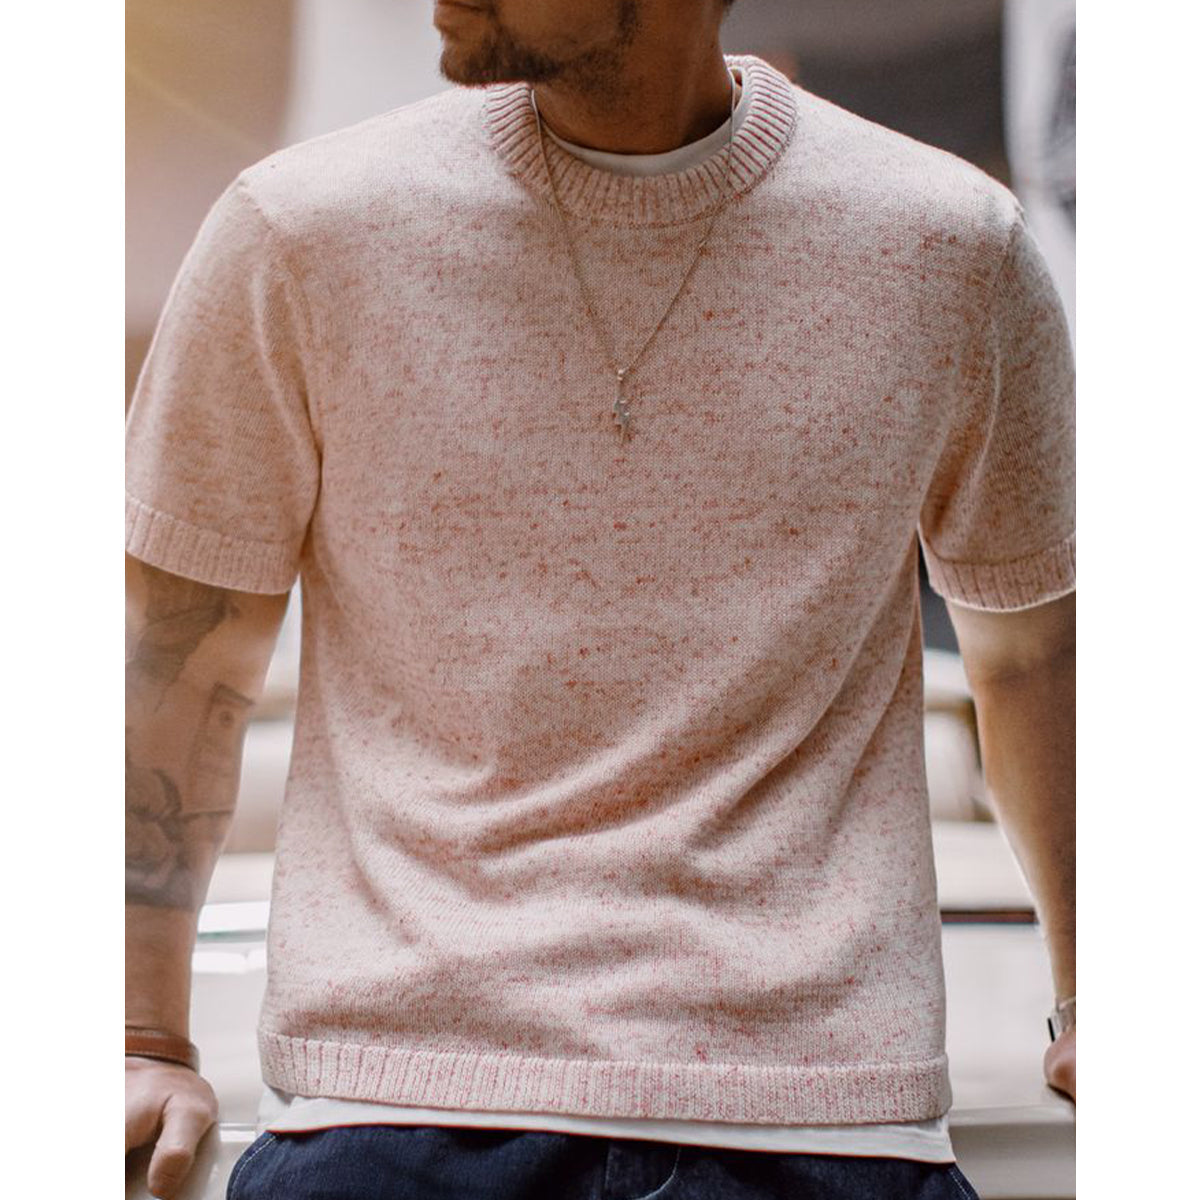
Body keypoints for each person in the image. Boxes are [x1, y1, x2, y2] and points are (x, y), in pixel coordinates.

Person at [124, 1, 1076, 1197]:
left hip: (825, 1115)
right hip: (391, 1105)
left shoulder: (947, 246)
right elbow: (183, 660)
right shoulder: (299, 234)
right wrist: (139, 1036)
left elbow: (1035, 654)